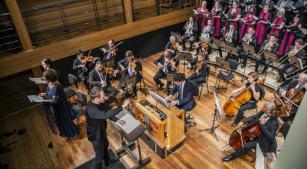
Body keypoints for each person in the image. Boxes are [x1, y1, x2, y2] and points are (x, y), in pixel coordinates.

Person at [223, 101, 278, 169]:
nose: (262, 108)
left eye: (264, 107)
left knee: (246, 146)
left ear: (269, 110)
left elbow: (270, 137)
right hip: (255, 133)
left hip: (263, 140)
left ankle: (231, 156)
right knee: (244, 134)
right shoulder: (263, 111)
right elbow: (254, 117)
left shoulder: (274, 122)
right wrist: (243, 121)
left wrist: (262, 125)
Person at [85, 87, 130, 169]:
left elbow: (107, 112)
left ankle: (107, 161)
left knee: (105, 145)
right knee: (99, 156)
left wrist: (117, 120)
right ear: (96, 98)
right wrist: (122, 107)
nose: (105, 97)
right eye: (103, 96)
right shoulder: (91, 108)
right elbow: (105, 115)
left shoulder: (100, 103)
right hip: (95, 135)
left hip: (101, 130)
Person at [39, 69, 78, 138]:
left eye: (44, 76)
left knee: (64, 121)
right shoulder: (49, 84)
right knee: (60, 121)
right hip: (56, 107)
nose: (43, 77)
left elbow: (54, 101)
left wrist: (44, 101)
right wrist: (44, 94)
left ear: (49, 78)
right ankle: (64, 133)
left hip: (61, 107)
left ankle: (69, 133)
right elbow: (49, 93)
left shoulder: (57, 87)